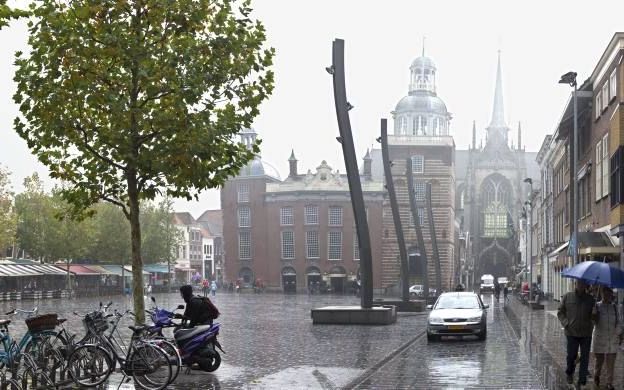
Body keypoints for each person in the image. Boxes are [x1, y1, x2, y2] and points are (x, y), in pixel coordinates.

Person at [557, 279, 595, 388]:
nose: (581, 285)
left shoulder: (590, 299)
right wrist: (566, 323)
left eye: (583, 284)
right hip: (571, 332)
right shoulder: (567, 296)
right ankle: (570, 373)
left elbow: (595, 318)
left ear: (585, 285)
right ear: (575, 284)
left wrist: (594, 315)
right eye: (579, 283)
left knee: (585, 356)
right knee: (571, 355)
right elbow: (560, 312)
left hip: (586, 333)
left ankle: (582, 379)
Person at [591, 287, 621, 390]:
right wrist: (594, 315)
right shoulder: (597, 306)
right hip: (599, 338)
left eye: (608, 293)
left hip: (612, 339)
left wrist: (617, 333)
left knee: (611, 362)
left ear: (611, 294)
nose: (606, 295)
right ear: (602, 293)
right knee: (599, 361)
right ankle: (596, 375)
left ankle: (609, 382)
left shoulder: (615, 307)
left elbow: (619, 322)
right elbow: (593, 323)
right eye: (605, 293)